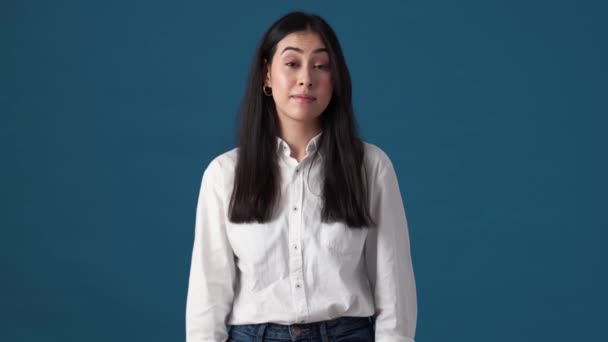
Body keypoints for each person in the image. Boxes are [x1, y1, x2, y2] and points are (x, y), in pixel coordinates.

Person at [185, 11, 417, 342]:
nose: (306, 78)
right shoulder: (224, 175)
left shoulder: (370, 167)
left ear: (335, 79)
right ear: (267, 74)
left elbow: (394, 288)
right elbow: (207, 296)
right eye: (292, 63)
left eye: (321, 66)